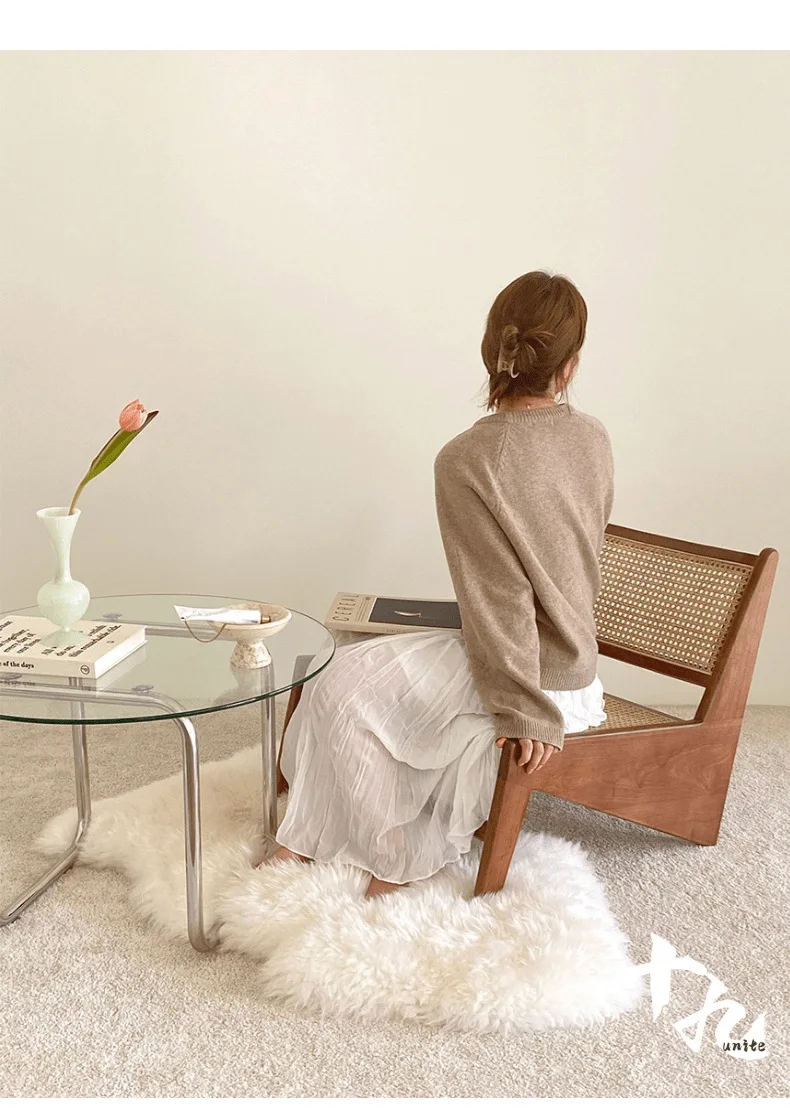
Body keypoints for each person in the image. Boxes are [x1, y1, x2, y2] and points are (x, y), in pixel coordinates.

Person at [255, 270, 614, 898]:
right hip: (567, 666)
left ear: (491, 349)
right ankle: (308, 835)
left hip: (533, 682)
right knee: (350, 669)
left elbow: (501, 597)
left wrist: (525, 710)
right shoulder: (593, 437)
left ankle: (388, 858)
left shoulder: (468, 458)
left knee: (340, 685)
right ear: (571, 365)